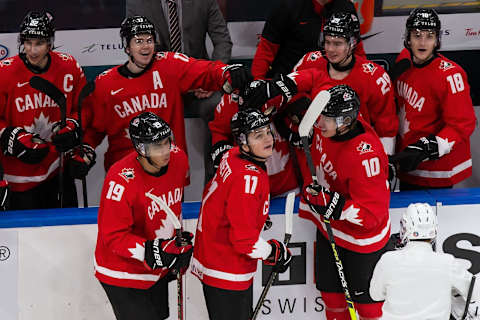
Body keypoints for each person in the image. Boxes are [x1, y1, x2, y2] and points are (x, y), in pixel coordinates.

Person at [82, 15, 250, 175]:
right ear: (127, 47)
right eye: (138, 41)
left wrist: (226, 72)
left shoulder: (169, 65)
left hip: (168, 166)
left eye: (149, 40)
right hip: (126, 173)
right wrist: (83, 154)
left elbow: (204, 71)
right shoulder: (105, 84)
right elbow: (94, 127)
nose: (145, 46)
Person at [191, 108, 292, 320]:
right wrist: (272, 252)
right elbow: (244, 240)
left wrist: (252, 215)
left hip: (213, 258)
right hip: (226, 268)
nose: (267, 139)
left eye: (267, 131)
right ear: (243, 142)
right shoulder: (249, 179)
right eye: (258, 135)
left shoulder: (231, 155)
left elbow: (224, 199)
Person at [299, 85, 391, 320]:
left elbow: (372, 216)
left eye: (328, 119)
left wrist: (337, 206)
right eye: (321, 116)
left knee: (368, 309)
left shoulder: (364, 156)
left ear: (347, 121)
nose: (320, 123)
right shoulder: (330, 128)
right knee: (332, 297)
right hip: (329, 227)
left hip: (362, 240)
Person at [94, 112, 193, 320]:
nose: (166, 151)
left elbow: (172, 208)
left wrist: (174, 243)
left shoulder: (179, 159)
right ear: (140, 148)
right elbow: (112, 236)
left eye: (167, 142)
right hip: (122, 272)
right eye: (157, 146)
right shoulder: (120, 180)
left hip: (155, 268)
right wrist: (153, 250)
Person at [126, 0, 233, 181]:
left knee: (218, 108)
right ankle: (156, 181)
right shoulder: (138, 3)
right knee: (149, 118)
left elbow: (223, 41)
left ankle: (215, 180)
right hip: (159, 83)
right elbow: (137, 48)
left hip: (198, 82)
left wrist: (211, 80)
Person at [0, 11, 88, 210]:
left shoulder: (68, 67)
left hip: (57, 172)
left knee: (65, 236)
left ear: (50, 43)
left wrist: (73, 126)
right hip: (17, 179)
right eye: (28, 43)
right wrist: (11, 136)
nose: (32, 50)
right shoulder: (4, 73)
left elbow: (84, 108)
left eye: (38, 43)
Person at [389, 8, 476, 190]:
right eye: (417, 35)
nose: (422, 42)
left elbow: (463, 124)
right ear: (408, 38)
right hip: (407, 164)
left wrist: (429, 147)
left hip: (436, 169)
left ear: (437, 40)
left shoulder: (451, 75)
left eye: (429, 36)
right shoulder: (404, 62)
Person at [291, 11, 398, 155]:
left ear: (353, 43)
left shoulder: (375, 77)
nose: (330, 49)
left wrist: (386, 161)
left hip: (354, 155)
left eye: (337, 43)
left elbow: (386, 129)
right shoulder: (310, 62)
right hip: (315, 154)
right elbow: (289, 103)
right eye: (327, 42)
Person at [370, 203, 480, 320]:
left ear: (404, 227)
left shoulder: (388, 259)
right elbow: (474, 292)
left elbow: (375, 295)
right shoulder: (447, 263)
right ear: (434, 230)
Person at [208, 92, 305, 196]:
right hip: (248, 187)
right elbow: (219, 130)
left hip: (287, 187)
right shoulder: (231, 100)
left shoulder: (276, 89)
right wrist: (223, 156)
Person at [251, 0, 364, 80]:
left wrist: (365, 78)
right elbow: (266, 50)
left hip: (330, 84)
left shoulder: (346, 7)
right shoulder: (287, 6)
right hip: (288, 83)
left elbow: (357, 50)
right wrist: (256, 83)